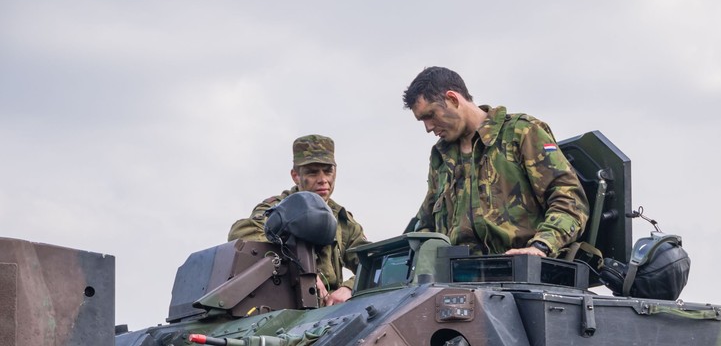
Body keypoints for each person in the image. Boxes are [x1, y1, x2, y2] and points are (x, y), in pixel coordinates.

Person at [402, 66, 589, 258]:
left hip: (519, 272)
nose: (428, 127)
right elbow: (426, 225)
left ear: (453, 99)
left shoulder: (520, 133)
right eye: (422, 120)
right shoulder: (442, 156)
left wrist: (541, 246)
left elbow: (570, 201)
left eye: (430, 115)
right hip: (458, 278)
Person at [228, 134, 369, 306]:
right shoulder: (279, 208)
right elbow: (243, 233)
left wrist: (349, 287)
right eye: (312, 172)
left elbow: (371, 261)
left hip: (330, 314)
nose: (323, 180)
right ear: (295, 175)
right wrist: (302, 269)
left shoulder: (342, 221)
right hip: (286, 308)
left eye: (328, 171)